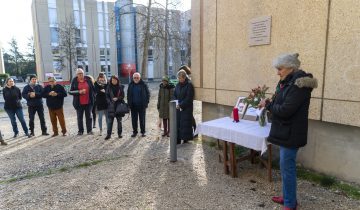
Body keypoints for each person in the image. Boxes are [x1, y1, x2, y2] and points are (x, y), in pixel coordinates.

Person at [259, 53, 317, 210]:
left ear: (291, 68)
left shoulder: (299, 85)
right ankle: (287, 197)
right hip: (285, 131)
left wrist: (268, 106)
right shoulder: (287, 82)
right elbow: (281, 102)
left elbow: (285, 110)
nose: (278, 72)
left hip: (291, 133)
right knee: (285, 168)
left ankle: (290, 204)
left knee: (288, 169)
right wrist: (269, 102)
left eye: (280, 69)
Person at [69, 68, 95, 135]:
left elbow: (93, 89)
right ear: (77, 74)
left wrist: (93, 97)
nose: (81, 75)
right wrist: (79, 92)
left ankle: (89, 131)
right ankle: (80, 131)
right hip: (79, 103)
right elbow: (70, 91)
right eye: (79, 74)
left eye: (82, 73)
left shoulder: (88, 80)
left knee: (89, 117)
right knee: (79, 117)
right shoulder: (74, 81)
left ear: (83, 73)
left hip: (88, 102)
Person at [173, 70, 194, 144]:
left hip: (186, 108)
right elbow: (174, 94)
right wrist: (176, 103)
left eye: (180, 78)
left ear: (184, 77)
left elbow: (189, 98)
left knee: (186, 124)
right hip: (178, 107)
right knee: (178, 124)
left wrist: (181, 105)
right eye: (178, 78)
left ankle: (186, 139)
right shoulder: (177, 85)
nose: (179, 79)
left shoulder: (189, 85)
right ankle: (178, 139)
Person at [127, 72, 150, 137]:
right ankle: (135, 132)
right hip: (133, 106)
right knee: (134, 120)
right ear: (133, 78)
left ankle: (143, 132)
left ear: (139, 78)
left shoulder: (143, 84)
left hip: (142, 105)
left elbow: (148, 94)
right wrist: (129, 104)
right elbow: (128, 95)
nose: (136, 79)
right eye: (135, 78)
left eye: (137, 77)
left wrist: (146, 102)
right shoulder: (131, 85)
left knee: (142, 119)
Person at [178, 65, 197, 136]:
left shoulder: (188, 80)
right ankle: (194, 130)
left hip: (188, 102)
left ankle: (195, 130)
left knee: (190, 117)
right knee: (190, 117)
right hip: (184, 101)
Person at [105, 75, 125, 140]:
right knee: (110, 122)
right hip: (111, 106)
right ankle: (108, 134)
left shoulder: (120, 87)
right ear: (111, 80)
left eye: (115, 80)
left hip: (119, 106)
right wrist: (110, 101)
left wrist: (118, 98)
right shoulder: (109, 87)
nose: (114, 81)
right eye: (113, 80)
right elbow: (107, 96)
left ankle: (120, 134)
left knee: (119, 122)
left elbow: (123, 96)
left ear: (117, 80)